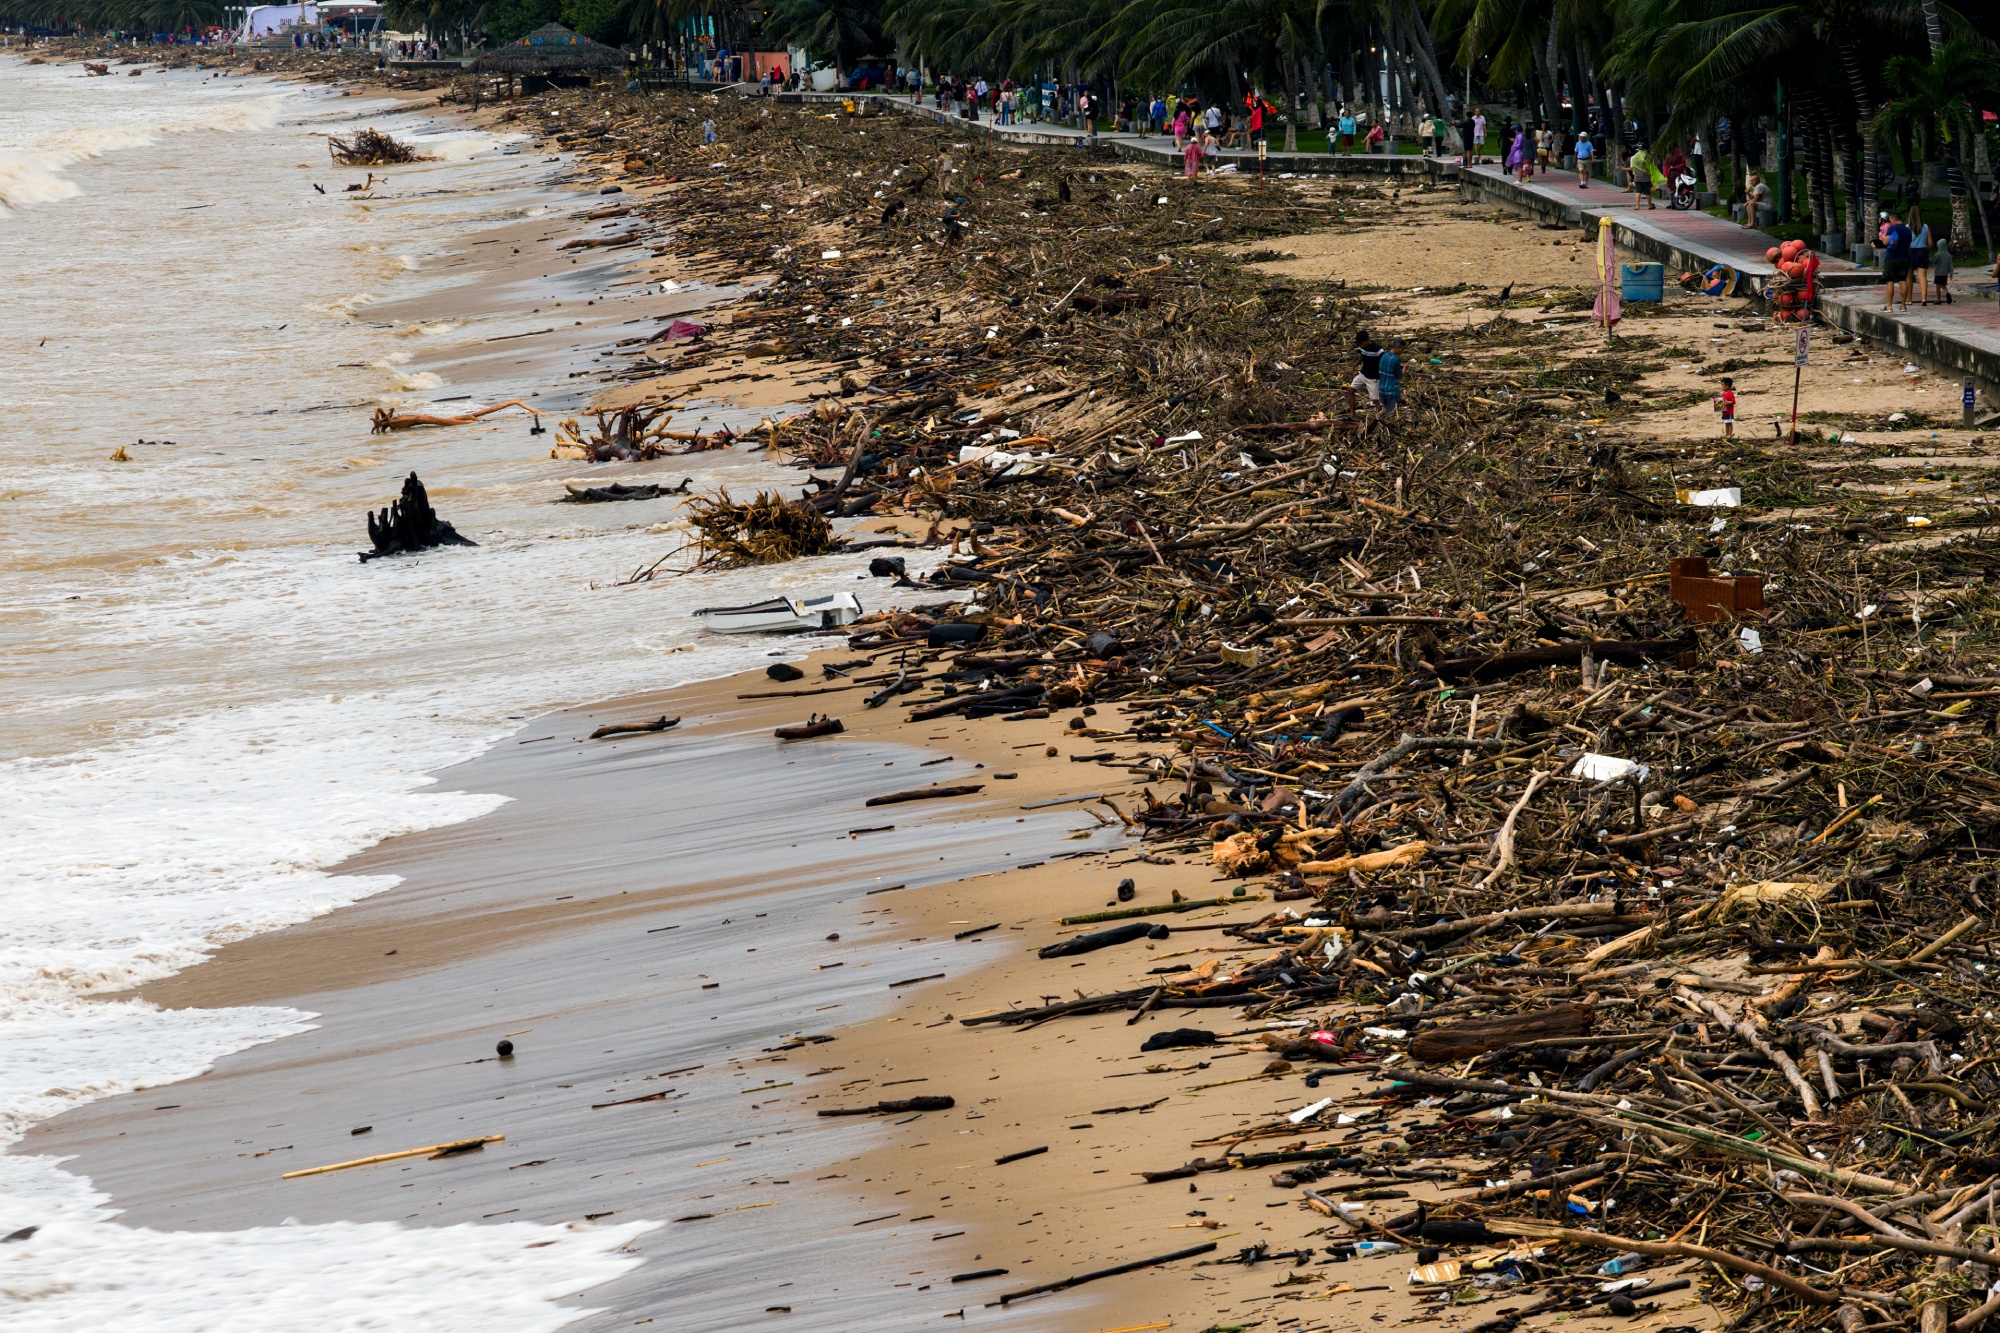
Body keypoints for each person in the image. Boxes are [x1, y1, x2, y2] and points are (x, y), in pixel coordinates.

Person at [1880, 210, 1912, 310]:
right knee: (1902, 280)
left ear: (1893, 219)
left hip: (1892, 257)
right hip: (1904, 257)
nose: (1890, 222)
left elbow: (1885, 242)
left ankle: (1889, 306)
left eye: (1890, 220)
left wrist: (1883, 237)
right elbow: (1909, 245)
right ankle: (1903, 305)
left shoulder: (1892, 228)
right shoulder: (1908, 230)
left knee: (1890, 280)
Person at [1352, 330, 1383, 407]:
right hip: (1363, 374)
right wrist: (1354, 366)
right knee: (1350, 390)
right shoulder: (1362, 347)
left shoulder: (1378, 350)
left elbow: (1383, 363)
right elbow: (1362, 356)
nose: (1361, 346)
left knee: (1375, 400)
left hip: (1373, 378)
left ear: (1366, 341)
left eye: (1362, 344)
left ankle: (1380, 412)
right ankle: (1352, 413)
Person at [1909, 207, 1931, 305]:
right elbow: (1930, 243)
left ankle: (1909, 299)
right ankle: (1924, 298)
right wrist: (1926, 250)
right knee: (1922, 276)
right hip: (1923, 250)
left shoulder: (1907, 227)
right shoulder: (1925, 227)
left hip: (1911, 251)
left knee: (1909, 276)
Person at [1377, 338, 1404, 418]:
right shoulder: (1395, 359)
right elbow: (1400, 375)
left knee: (1385, 409)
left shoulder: (1384, 356)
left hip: (1382, 389)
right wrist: (1405, 368)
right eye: (1402, 349)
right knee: (1391, 415)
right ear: (1397, 348)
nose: (1402, 351)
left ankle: (1376, 418)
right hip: (1391, 390)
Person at [1628, 142, 1655, 208]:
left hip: (1637, 177)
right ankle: (1649, 205)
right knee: (1647, 192)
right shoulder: (1647, 157)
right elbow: (1651, 167)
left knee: (1638, 191)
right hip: (1646, 177)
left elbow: (1632, 168)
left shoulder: (1633, 158)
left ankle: (1637, 206)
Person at [1932, 237, 1954, 304]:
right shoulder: (1949, 255)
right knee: (1942, 284)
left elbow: (1932, 261)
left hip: (1938, 273)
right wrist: (1951, 273)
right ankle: (1941, 297)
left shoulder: (1937, 254)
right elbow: (1951, 265)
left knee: (1938, 285)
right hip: (1945, 274)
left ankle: (1944, 295)